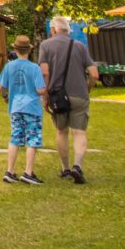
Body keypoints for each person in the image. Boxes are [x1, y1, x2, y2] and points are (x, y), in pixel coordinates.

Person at [38, 16, 98, 184]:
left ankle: (65, 168)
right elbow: (94, 73)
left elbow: (44, 72)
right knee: (79, 132)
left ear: (53, 30)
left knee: (61, 131)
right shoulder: (79, 46)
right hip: (79, 94)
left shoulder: (46, 45)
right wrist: (88, 87)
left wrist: (45, 94)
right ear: (68, 30)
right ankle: (77, 166)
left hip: (57, 96)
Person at [0, 34, 45, 184]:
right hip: (31, 107)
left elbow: (2, 86)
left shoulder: (9, 66)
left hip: (15, 106)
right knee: (32, 139)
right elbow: (40, 90)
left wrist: (5, 97)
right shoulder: (34, 68)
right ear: (29, 50)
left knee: (15, 137)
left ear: (15, 50)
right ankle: (28, 172)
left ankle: (10, 170)